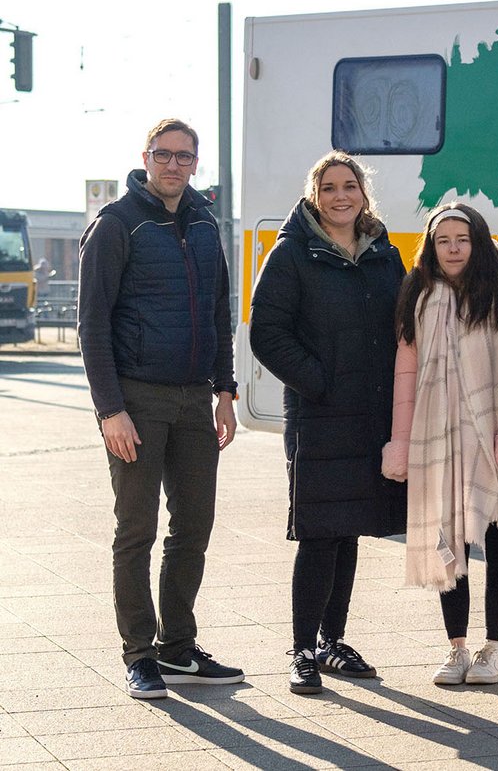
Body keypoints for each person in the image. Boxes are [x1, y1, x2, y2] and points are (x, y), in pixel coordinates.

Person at [78, 118, 242, 700]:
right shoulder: (117, 224)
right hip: (137, 399)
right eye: (164, 154)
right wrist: (109, 410)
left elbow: (220, 312)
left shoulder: (203, 223)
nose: (174, 165)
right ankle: (139, 654)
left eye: (185, 156)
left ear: (196, 164)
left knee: (194, 525)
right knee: (136, 530)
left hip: (197, 398)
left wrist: (226, 390)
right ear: (146, 157)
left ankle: (177, 648)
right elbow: (91, 324)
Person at [249, 150, 407, 695]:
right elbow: (267, 333)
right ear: (315, 196)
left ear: (363, 193)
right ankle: (301, 649)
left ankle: (331, 641)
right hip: (319, 415)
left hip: (371, 416)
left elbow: (406, 325)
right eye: (329, 188)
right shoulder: (292, 254)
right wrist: (319, 380)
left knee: (350, 530)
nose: (341, 196)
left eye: (350, 186)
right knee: (319, 533)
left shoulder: (385, 254)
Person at [382, 203, 498, 687]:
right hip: (438, 435)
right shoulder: (418, 295)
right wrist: (402, 441)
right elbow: (404, 376)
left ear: (478, 242)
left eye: (462, 239)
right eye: (443, 240)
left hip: (491, 434)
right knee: (448, 545)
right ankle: (457, 648)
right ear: (431, 245)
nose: (452, 248)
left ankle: (494, 649)